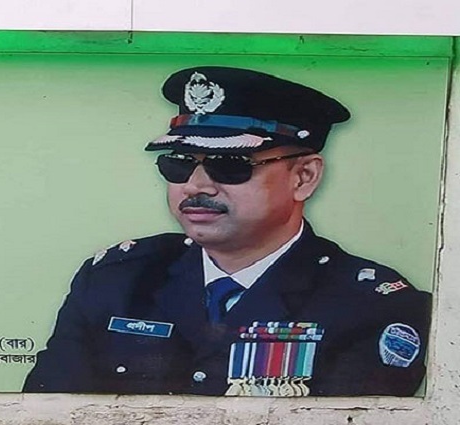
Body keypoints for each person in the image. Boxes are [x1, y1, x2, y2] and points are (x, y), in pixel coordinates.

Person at [23, 66, 431, 397]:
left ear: (304, 177)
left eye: (231, 165)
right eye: (180, 162)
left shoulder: (371, 305)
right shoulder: (117, 280)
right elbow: (48, 410)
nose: (196, 185)